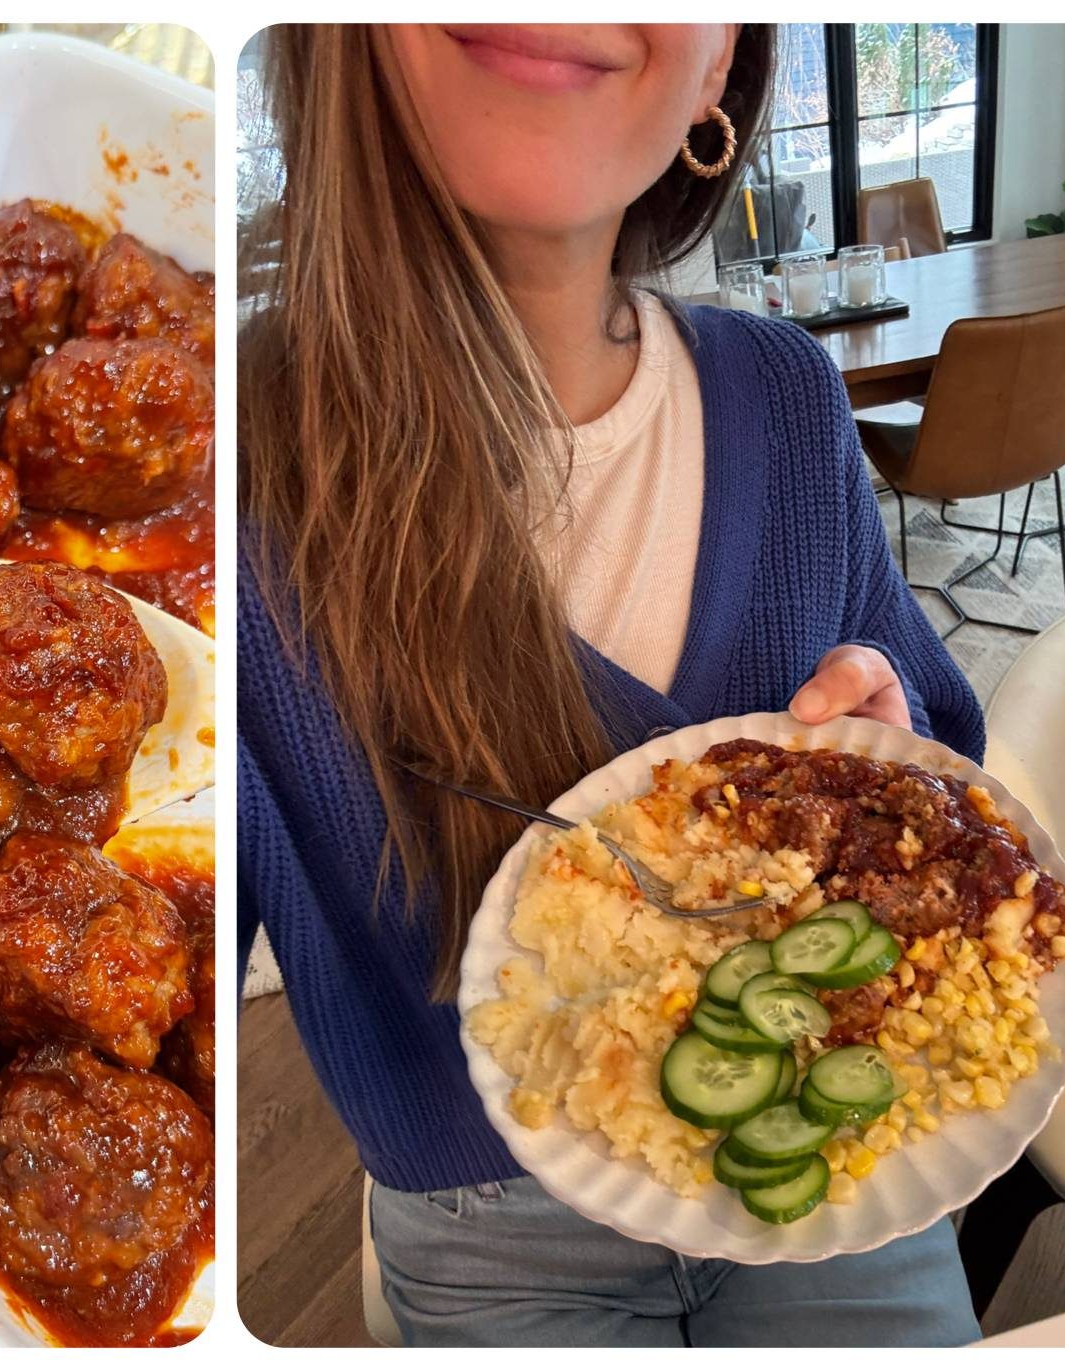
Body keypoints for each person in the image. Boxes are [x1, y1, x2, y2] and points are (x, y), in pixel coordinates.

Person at [238, 23, 983, 1347]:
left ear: (719, 74)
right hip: (488, 1214)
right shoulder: (223, 467)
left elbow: (930, 729)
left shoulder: (790, 396)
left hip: (826, 1130)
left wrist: (886, 755)